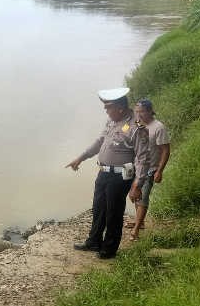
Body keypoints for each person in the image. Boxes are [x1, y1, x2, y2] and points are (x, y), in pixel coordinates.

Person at [66, 88, 150, 259]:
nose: (106, 111)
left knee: (113, 212)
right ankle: (94, 241)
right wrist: (80, 158)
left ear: (120, 108)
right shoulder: (112, 121)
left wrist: (137, 184)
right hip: (103, 172)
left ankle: (109, 249)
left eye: (108, 108)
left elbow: (142, 159)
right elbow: (99, 142)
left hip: (120, 177)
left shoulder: (136, 126)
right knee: (98, 209)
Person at [125, 99, 170, 241]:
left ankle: (136, 229)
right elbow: (121, 131)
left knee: (143, 196)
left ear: (150, 111)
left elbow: (165, 150)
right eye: (137, 111)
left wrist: (159, 171)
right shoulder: (134, 124)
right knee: (134, 195)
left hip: (150, 169)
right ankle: (140, 221)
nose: (139, 114)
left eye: (142, 111)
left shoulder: (158, 127)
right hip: (133, 166)